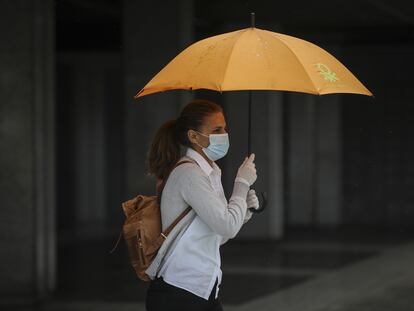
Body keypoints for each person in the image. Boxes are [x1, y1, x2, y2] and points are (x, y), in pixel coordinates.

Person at [144, 99, 260, 311]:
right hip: (179, 292)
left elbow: (219, 235)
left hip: (201, 288)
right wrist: (241, 184)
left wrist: (243, 212)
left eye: (225, 128)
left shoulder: (211, 173)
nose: (224, 134)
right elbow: (227, 226)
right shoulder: (189, 174)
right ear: (193, 136)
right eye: (217, 129)